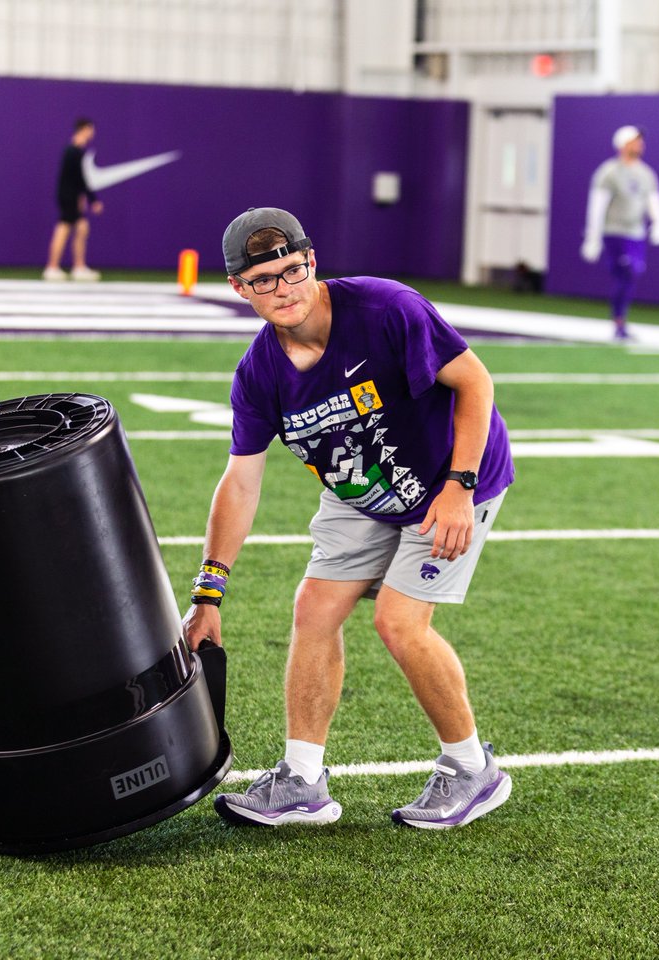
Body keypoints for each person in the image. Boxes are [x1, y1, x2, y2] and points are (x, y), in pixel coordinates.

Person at [181, 207, 515, 830]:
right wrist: (209, 591)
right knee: (314, 610)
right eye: (263, 280)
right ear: (238, 289)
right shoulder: (259, 374)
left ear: (312, 260)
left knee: (399, 622)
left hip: (454, 480)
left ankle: (472, 769)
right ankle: (303, 781)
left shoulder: (387, 309)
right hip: (362, 491)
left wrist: (459, 488)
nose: (283, 289)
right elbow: (241, 482)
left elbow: (474, 383)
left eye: (292, 270)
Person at [581, 125, 659, 340]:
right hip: (616, 233)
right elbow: (597, 207)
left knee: (632, 275)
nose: (640, 145)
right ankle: (619, 322)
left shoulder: (646, 173)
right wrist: (592, 237)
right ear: (623, 144)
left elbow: (652, 201)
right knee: (627, 273)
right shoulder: (609, 172)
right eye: (635, 141)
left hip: (636, 234)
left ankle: (620, 321)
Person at [43, 118, 103, 282]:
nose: (92, 133)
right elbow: (80, 179)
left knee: (82, 228)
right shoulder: (74, 151)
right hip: (69, 196)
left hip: (69, 195)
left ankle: (78, 266)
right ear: (84, 129)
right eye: (91, 129)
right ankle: (53, 267)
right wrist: (92, 200)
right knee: (64, 228)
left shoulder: (75, 150)